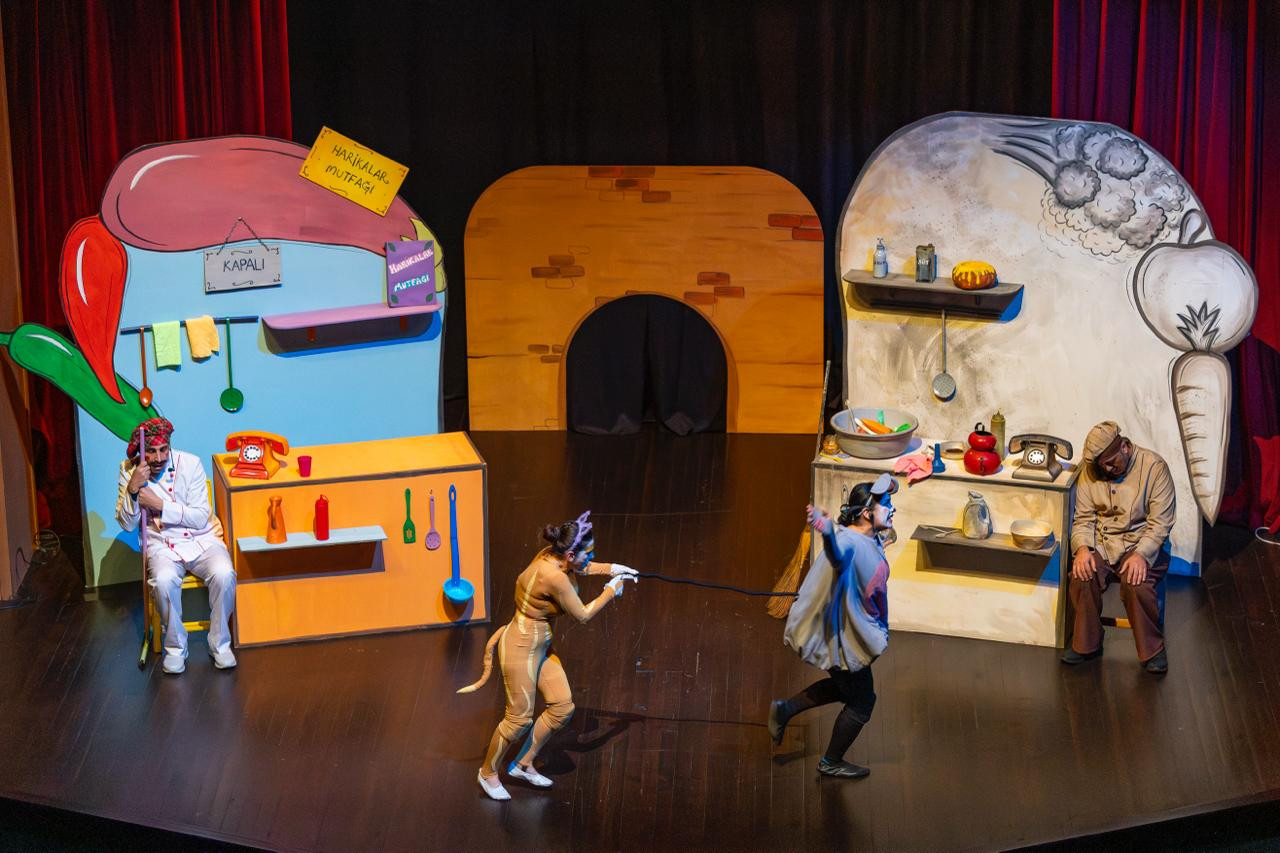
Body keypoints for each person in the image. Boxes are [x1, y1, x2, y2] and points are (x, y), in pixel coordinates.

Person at [457, 510, 638, 800]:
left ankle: (523, 764)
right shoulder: (555, 577)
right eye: (588, 553)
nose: (591, 558)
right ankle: (487, 773)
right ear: (569, 555)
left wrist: (614, 568)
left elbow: (583, 566)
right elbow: (582, 615)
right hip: (521, 646)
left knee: (562, 708)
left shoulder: (554, 556)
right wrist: (610, 591)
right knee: (518, 720)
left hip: (540, 645)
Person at [769, 473, 897, 779]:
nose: (892, 508)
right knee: (862, 701)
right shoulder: (848, 542)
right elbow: (838, 557)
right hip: (843, 636)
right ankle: (830, 761)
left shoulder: (868, 536)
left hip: (852, 629)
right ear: (866, 513)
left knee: (845, 687)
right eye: (886, 504)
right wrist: (827, 533)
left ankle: (784, 710)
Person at [115, 417, 237, 675]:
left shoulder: (190, 464)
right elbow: (127, 524)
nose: (159, 458)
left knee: (224, 573)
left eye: (163, 450)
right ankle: (175, 648)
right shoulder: (128, 471)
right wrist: (133, 489)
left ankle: (220, 644)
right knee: (163, 580)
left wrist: (160, 505)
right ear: (141, 450)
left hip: (201, 539)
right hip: (162, 545)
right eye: (151, 451)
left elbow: (199, 517)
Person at [1064, 420, 1176, 674]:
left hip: (1140, 542)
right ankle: (1088, 643)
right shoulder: (1091, 471)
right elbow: (1083, 519)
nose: (1106, 469)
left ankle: (1153, 649)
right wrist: (1083, 549)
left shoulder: (1154, 467)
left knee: (1136, 581)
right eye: (1101, 466)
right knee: (1081, 575)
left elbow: (1160, 524)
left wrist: (1142, 555)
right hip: (1103, 543)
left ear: (1124, 446)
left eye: (1111, 463)